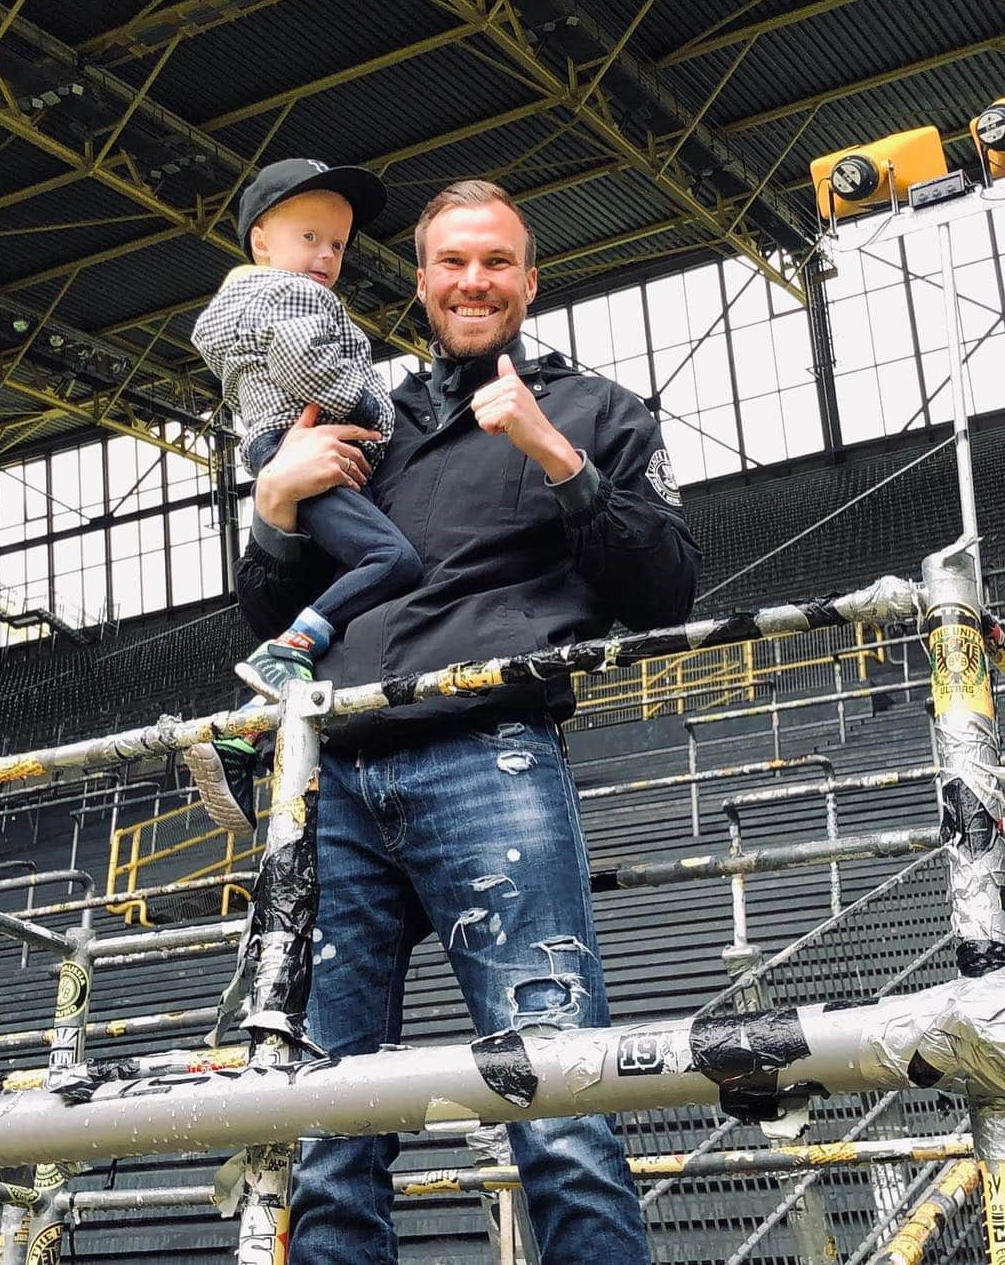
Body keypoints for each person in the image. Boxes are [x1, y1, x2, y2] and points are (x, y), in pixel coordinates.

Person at [191, 180, 701, 1262]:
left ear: (528, 279)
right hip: (329, 776)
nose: (475, 281)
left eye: (497, 262)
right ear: (420, 281)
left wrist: (551, 454)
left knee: (557, 1094)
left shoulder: (595, 408)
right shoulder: (361, 420)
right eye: (452, 263)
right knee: (328, 1124)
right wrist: (277, 508)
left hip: (487, 756)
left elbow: (665, 589)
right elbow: (273, 618)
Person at [187, 158, 421, 829]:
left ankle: (239, 736)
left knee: (343, 592)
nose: (326, 257)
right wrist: (373, 407)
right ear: (262, 240)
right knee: (394, 563)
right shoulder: (294, 297)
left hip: (282, 447)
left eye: (338, 246)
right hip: (309, 447)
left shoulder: (235, 310)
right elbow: (306, 363)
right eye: (310, 237)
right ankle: (286, 648)